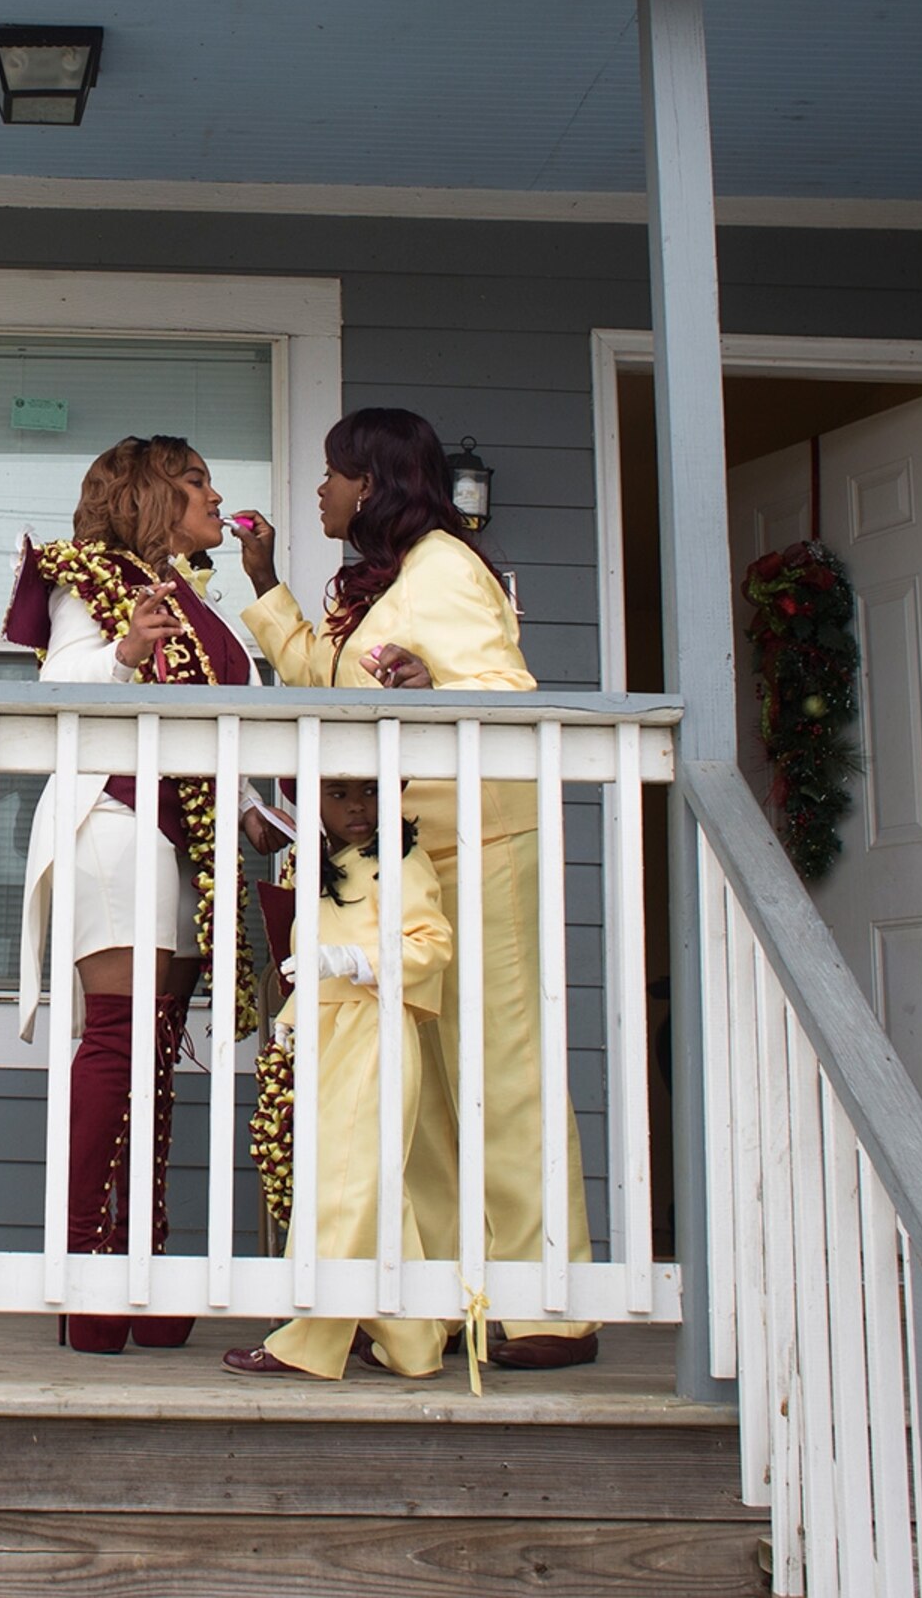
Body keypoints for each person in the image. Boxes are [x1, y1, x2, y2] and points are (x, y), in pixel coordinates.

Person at [232, 407, 598, 1370]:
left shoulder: (446, 567)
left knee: (499, 1074)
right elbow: (330, 677)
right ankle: (446, 1303)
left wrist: (433, 696)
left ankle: (550, 1307)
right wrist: (267, 588)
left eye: (333, 472)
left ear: (376, 481)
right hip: (388, 858)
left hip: (473, 846)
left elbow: (510, 696)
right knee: (415, 1086)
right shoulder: (378, 585)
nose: (320, 490)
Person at [7, 435, 255, 1354]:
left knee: (156, 1059)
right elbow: (59, 684)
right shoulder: (92, 578)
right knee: (120, 1044)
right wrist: (121, 646)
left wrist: (258, 809)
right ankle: (86, 1273)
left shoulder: (198, 599)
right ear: (152, 497)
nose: (214, 494)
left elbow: (232, 724)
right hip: (116, 819)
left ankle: (142, 1265)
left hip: (189, 841)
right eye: (196, 483)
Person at [223, 777, 451, 1379]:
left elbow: (431, 944)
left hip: (371, 1028)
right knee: (371, 1191)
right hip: (324, 1035)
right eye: (338, 794)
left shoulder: (399, 860)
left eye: (370, 793)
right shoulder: (315, 864)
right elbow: (305, 956)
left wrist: (359, 961)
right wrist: (291, 1024)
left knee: (344, 1185)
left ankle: (309, 1341)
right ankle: (413, 1343)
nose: (356, 808)